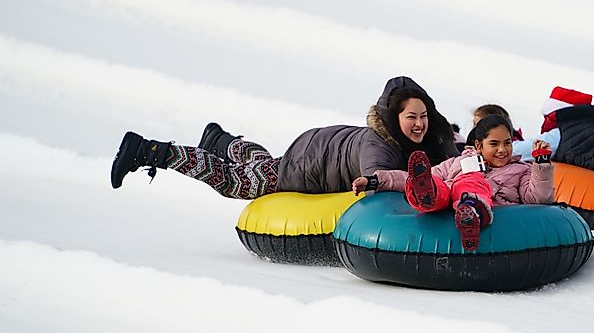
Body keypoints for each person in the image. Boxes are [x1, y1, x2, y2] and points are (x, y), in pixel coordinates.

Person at [110, 76, 458, 198]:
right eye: (411, 117)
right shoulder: (377, 146)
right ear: (393, 117)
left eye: (423, 116)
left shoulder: (423, 137)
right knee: (238, 183)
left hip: (319, 143)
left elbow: (448, 158)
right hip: (309, 164)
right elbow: (377, 182)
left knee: (266, 165)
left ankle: (219, 141)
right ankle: (151, 151)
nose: (419, 124)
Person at [352, 115, 554, 251]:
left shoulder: (520, 170)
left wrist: (541, 164)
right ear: (478, 145)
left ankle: (472, 210)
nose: (502, 149)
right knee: (441, 183)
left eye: (507, 142)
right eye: (494, 144)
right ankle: (426, 193)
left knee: (470, 180)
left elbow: (537, 198)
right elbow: (406, 177)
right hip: (448, 205)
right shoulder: (459, 162)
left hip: (492, 211)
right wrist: (375, 180)